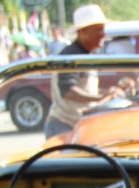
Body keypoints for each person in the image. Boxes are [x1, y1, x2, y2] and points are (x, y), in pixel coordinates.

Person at [43, 4, 125, 139]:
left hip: (78, 124)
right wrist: (100, 97)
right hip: (64, 125)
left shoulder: (85, 55)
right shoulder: (70, 56)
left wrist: (108, 93)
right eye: (98, 30)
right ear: (83, 32)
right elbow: (69, 92)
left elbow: (84, 90)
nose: (103, 34)